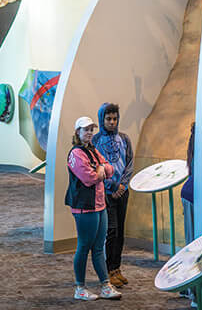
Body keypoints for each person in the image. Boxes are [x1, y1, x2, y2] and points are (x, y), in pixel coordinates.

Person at [65, 115, 122, 301]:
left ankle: (105, 285)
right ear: (77, 132)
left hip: (99, 205)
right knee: (83, 246)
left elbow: (110, 168)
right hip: (85, 207)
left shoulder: (91, 150)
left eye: (91, 129)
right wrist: (100, 170)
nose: (89, 132)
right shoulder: (76, 153)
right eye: (85, 129)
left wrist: (100, 170)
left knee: (98, 248)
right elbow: (89, 178)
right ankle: (80, 288)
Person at [92, 103, 134, 288]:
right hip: (107, 193)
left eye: (114, 118)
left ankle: (117, 268)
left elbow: (129, 162)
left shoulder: (124, 138)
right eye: (108, 119)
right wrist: (113, 185)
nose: (112, 122)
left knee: (121, 233)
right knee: (111, 231)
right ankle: (109, 270)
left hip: (122, 192)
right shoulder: (95, 140)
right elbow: (96, 167)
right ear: (102, 119)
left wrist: (123, 185)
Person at [179, 123, 196, 306]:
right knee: (194, 243)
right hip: (192, 195)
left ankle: (188, 286)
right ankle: (192, 290)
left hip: (190, 193)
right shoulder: (200, 139)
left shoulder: (195, 140)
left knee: (192, 242)